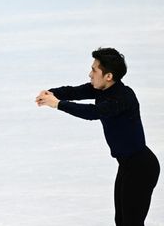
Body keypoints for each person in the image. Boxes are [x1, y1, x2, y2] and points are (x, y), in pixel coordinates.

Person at [35, 47, 160, 226]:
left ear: (108, 76)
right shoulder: (100, 90)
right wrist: (51, 93)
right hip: (127, 166)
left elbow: (93, 112)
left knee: (132, 223)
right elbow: (74, 91)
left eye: (94, 70)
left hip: (141, 168)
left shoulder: (124, 97)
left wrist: (58, 104)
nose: (90, 74)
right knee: (122, 221)